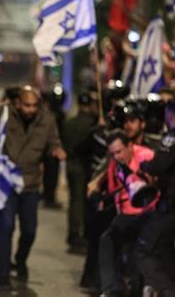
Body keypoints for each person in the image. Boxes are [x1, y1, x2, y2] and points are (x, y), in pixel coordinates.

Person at [0, 85, 66, 289]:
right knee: (6, 224)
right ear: (18, 104)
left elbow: (53, 141)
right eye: (26, 105)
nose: (30, 110)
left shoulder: (47, 120)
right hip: (6, 180)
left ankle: (19, 260)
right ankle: (1, 274)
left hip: (30, 183)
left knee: (29, 230)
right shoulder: (4, 114)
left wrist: (56, 150)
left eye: (34, 106)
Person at [88, 130, 156, 297]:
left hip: (149, 213)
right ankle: (112, 290)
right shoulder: (115, 164)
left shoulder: (145, 155)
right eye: (112, 153)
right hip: (126, 215)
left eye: (119, 151)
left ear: (130, 146)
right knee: (106, 238)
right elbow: (115, 192)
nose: (116, 156)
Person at [135, 98, 175, 297]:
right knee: (165, 247)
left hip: (174, 206)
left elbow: (158, 165)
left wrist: (143, 166)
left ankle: (171, 292)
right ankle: (174, 285)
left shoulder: (172, 138)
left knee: (145, 250)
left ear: (171, 115)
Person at [62, 91, 98, 252]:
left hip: (71, 164)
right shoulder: (92, 124)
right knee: (82, 201)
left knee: (74, 201)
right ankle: (79, 236)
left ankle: (73, 233)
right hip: (84, 166)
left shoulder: (70, 122)